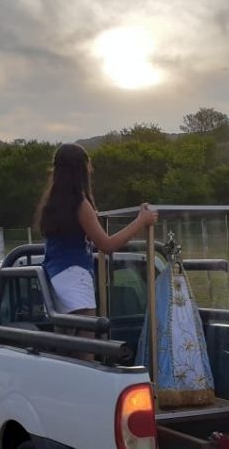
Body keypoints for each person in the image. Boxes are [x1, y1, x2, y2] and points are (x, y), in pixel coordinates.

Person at [34, 143, 157, 349]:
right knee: (87, 349)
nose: (91, 169)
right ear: (80, 169)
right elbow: (106, 245)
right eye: (88, 164)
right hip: (76, 277)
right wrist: (141, 221)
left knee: (67, 348)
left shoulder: (55, 203)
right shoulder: (80, 204)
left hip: (57, 278)